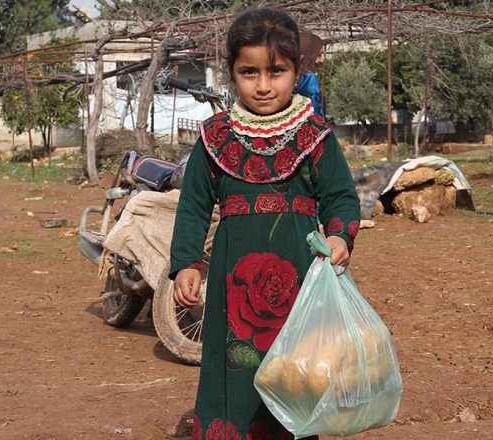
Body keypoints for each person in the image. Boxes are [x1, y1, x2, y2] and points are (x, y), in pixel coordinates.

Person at [168, 8, 361, 439]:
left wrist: (338, 236)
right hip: (230, 281)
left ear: (297, 71)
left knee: (293, 371)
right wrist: (185, 263)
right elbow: (194, 206)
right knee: (231, 367)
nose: (263, 85)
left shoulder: (313, 134)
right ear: (231, 72)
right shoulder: (214, 136)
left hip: (298, 282)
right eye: (248, 71)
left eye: (277, 71)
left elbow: (341, 197)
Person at [294, 31, 326, 120]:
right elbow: (315, 112)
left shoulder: (288, 76)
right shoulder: (309, 78)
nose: (322, 60)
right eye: (318, 55)